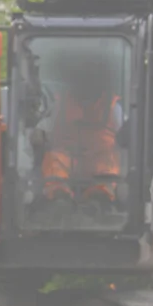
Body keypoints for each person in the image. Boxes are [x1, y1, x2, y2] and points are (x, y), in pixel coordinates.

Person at [41, 55, 124, 206]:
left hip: (98, 161)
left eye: (91, 78)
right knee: (55, 157)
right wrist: (38, 135)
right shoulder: (59, 104)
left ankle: (100, 196)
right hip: (69, 160)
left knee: (107, 160)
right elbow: (43, 128)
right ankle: (59, 196)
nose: (86, 83)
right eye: (82, 78)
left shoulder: (113, 107)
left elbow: (125, 134)